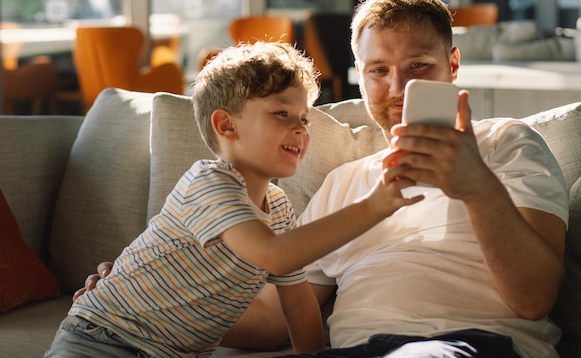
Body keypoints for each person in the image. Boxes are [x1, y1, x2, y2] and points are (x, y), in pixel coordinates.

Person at [78, 0, 569, 358]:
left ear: (453, 64)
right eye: (378, 70)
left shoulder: (506, 143)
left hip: (459, 346)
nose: (397, 87)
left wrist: (476, 186)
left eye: (418, 65)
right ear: (360, 74)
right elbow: (278, 316)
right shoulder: (345, 183)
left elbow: (534, 299)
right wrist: (147, 302)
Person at [45, 41, 423, 358]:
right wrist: (375, 205)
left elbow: (298, 302)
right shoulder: (208, 184)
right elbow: (275, 254)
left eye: (304, 118)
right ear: (226, 125)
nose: (299, 129)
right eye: (281, 113)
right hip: (104, 339)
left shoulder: (277, 210)